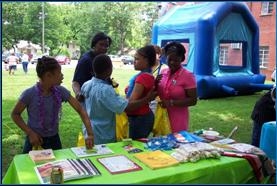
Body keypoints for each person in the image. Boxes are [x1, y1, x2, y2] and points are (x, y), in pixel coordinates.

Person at [11, 56, 94, 153]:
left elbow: (80, 110)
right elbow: (15, 114)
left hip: (54, 140)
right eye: (59, 73)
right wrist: (30, 133)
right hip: (35, 141)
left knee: (57, 166)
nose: (62, 76)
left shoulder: (60, 91)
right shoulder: (29, 94)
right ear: (48, 76)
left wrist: (90, 134)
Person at [81, 54, 156, 144]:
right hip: (102, 134)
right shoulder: (105, 90)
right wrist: (147, 98)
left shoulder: (86, 85)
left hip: (89, 131)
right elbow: (127, 107)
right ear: (109, 70)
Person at [157, 41, 197, 133]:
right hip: (161, 116)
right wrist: (155, 83)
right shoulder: (163, 72)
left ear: (182, 59)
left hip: (178, 118)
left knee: (176, 144)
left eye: (176, 60)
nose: (172, 63)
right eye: (170, 59)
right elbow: (158, 92)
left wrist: (171, 103)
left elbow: (193, 100)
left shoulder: (188, 75)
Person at [125, 45, 157, 140]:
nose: (134, 62)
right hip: (141, 117)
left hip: (140, 118)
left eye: (137, 59)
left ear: (146, 60)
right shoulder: (146, 75)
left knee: (135, 148)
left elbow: (131, 103)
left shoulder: (143, 77)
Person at [72, 32, 112, 102]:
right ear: (94, 45)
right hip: (88, 100)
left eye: (106, 46)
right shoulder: (85, 60)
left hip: (101, 98)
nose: (104, 48)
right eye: (101, 44)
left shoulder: (104, 59)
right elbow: (75, 82)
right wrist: (78, 94)